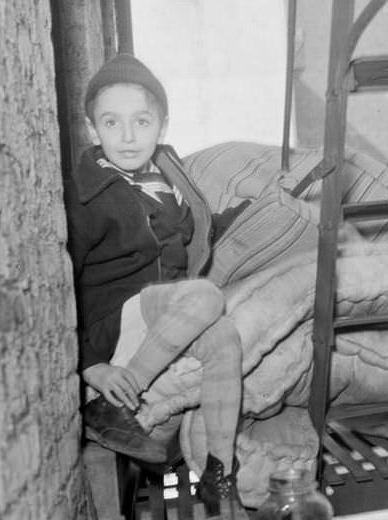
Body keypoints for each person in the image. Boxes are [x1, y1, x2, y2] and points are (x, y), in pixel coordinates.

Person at [64, 53, 249, 519]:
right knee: (207, 296)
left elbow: (194, 231)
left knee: (224, 336)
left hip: (162, 316)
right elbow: (65, 290)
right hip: (116, 320)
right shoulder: (87, 197)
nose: (127, 136)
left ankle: (219, 473)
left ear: (162, 125)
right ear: (92, 130)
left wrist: (251, 213)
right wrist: (90, 366)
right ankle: (111, 410)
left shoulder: (167, 177)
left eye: (141, 121)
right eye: (111, 122)